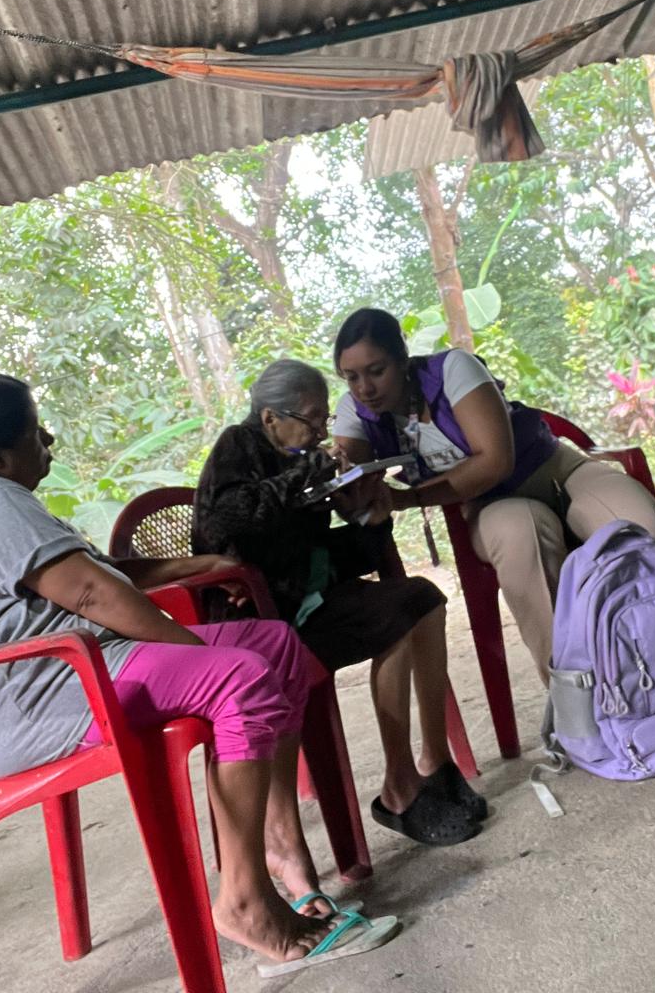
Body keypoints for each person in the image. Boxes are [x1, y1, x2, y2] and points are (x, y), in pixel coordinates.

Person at [0, 374, 400, 973]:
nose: (49, 440)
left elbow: (100, 571)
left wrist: (197, 564)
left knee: (274, 644)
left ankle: (278, 848)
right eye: (35, 432)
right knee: (240, 677)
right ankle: (245, 904)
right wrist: (193, 651)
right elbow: (88, 592)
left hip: (76, 671)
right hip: (41, 695)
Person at [193, 359, 486, 847]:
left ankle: (433, 761)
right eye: (312, 419)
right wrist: (307, 473)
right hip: (263, 622)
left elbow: (324, 552)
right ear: (270, 418)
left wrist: (365, 513)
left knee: (421, 599)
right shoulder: (239, 445)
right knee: (395, 616)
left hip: (308, 601)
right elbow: (227, 522)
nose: (321, 432)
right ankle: (400, 788)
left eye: (324, 419)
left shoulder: (294, 459)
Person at [331, 308, 655, 685]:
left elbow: (495, 461)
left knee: (640, 524)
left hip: (556, 470)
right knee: (522, 539)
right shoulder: (355, 412)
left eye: (376, 371)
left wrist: (404, 499)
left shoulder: (451, 370)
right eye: (352, 377)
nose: (365, 388)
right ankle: (578, 692)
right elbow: (354, 479)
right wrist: (349, 489)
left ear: (402, 359)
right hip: (490, 505)